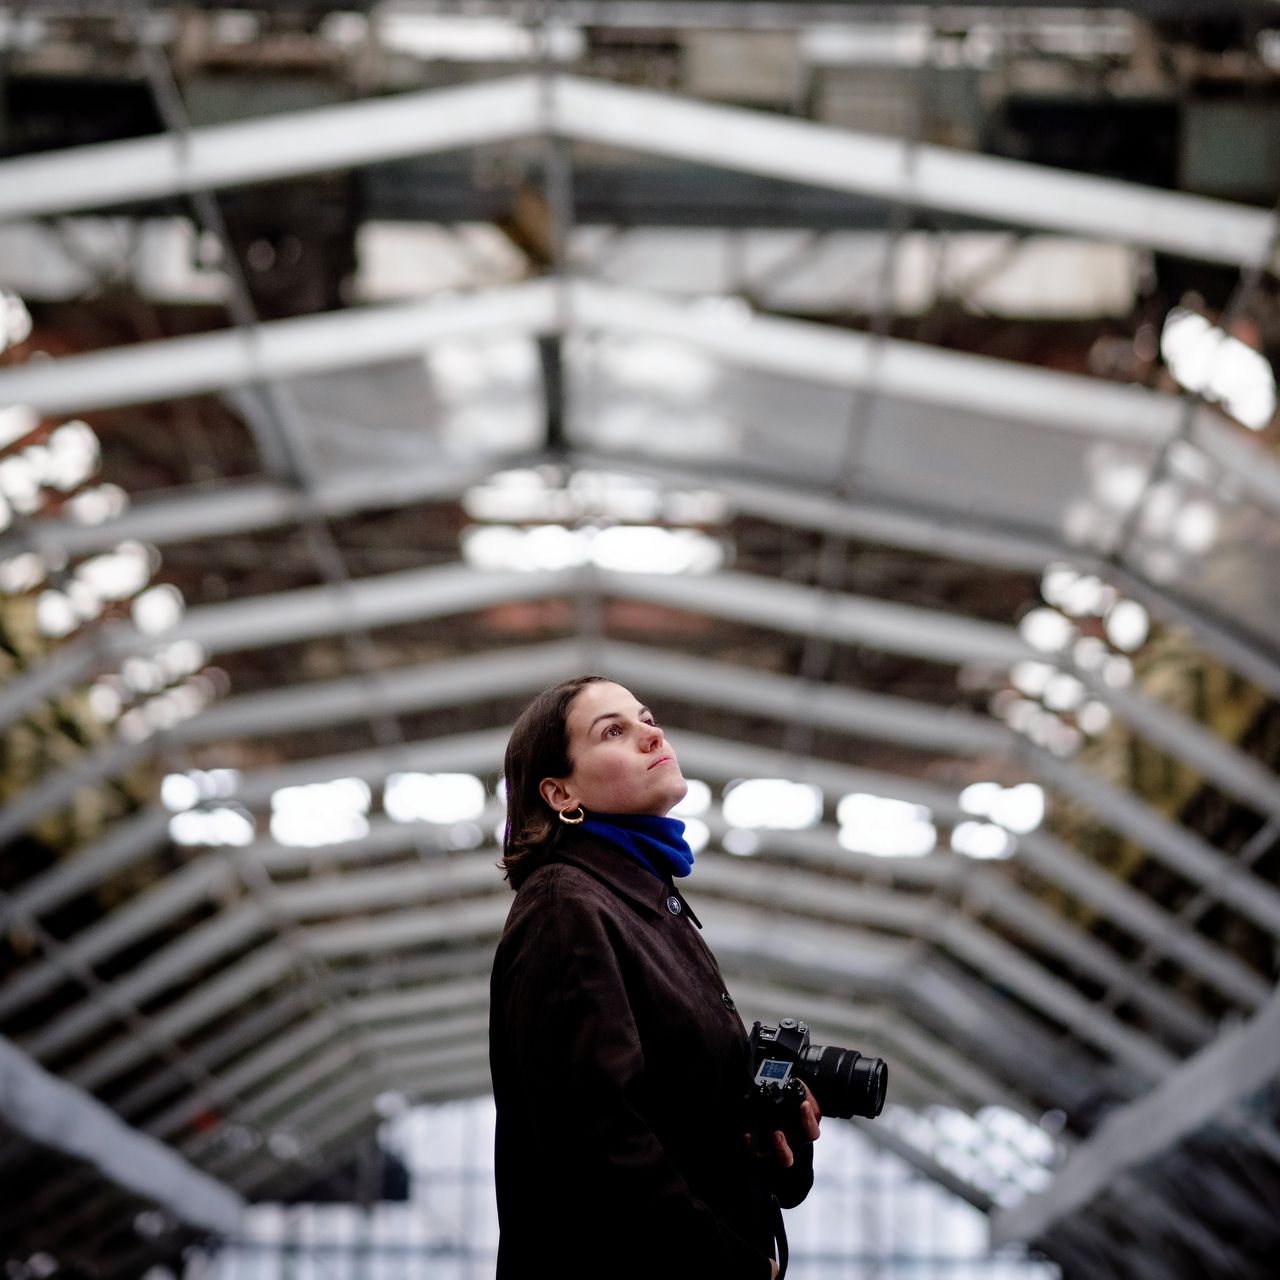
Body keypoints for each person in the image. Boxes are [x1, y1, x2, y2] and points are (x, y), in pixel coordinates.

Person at [489, 675, 820, 1279]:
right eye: (614, 731)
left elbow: (675, 1120)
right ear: (561, 794)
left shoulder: (646, 903)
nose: (651, 732)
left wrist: (766, 1140)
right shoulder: (567, 907)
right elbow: (595, 1141)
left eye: (645, 716)